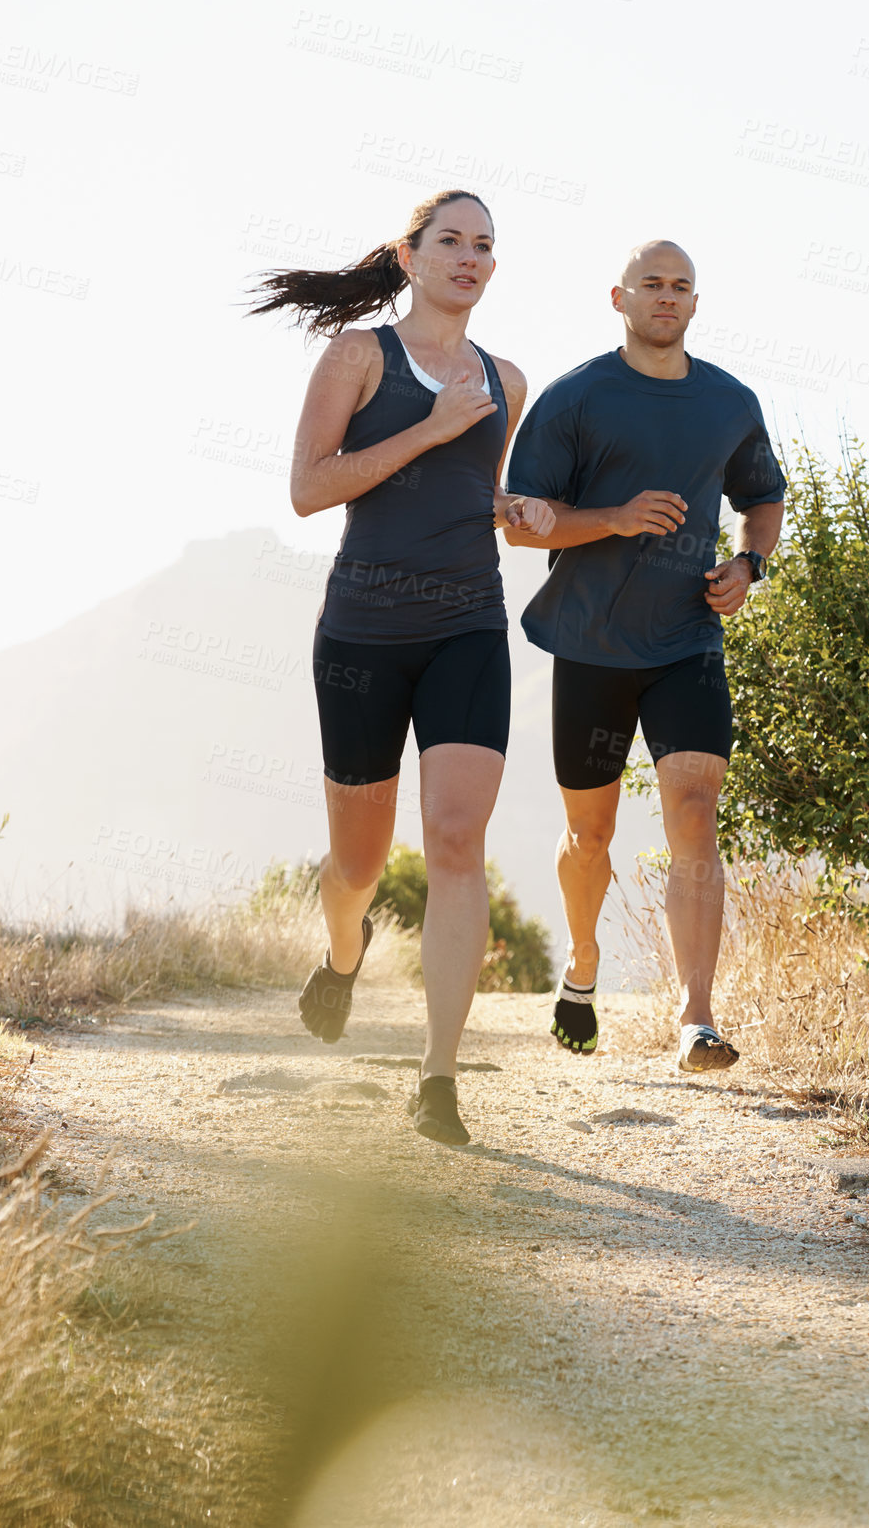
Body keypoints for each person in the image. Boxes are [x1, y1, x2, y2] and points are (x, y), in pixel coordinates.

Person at [249, 190, 554, 1145]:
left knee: (457, 842)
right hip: (362, 634)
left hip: (467, 625)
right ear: (410, 255)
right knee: (359, 863)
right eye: (451, 241)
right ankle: (344, 955)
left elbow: (477, 489)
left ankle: (438, 1078)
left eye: (484, 247)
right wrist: (426, 426)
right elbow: (308, 489)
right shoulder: (356, 358)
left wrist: (520, 511)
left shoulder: (507, 378)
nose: (469, 257)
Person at [503, 240, 785, 1072]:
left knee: (695, 812)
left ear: (695, 302)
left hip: (686, 641)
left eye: (681, 286)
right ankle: (582, 960)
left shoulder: (729, 401)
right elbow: (519, 517)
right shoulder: (577, 396)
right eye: (651, 285)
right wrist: (616, 518)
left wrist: (748, 565)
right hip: (589, 642)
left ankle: (695, 1015)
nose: (666, 297)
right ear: (618, 297)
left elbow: (761, 496)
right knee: (589, 834)